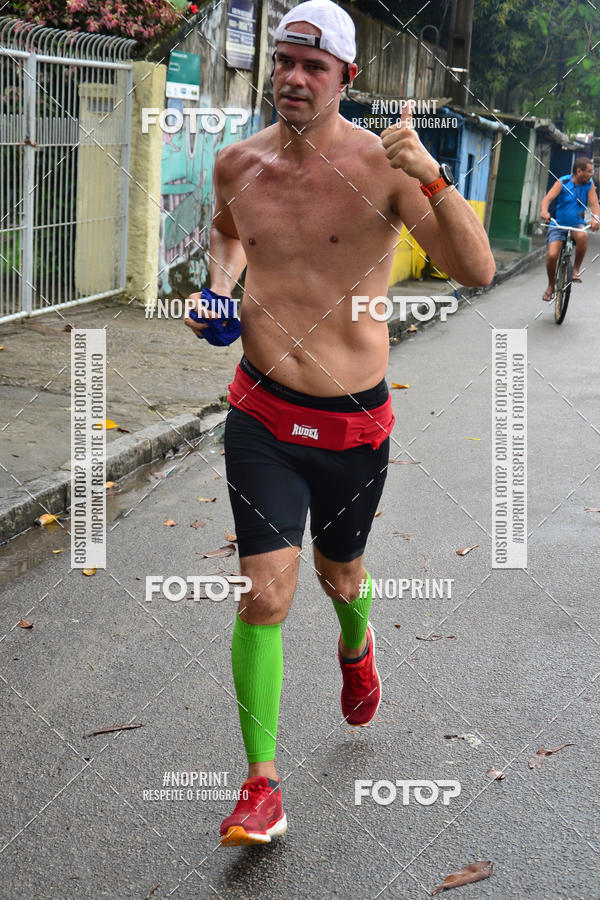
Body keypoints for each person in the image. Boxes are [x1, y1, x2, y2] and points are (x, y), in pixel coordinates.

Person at [183, 0, 495, 846]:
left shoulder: (386, 167)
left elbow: (476, 268)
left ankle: (356, 647)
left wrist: (432, 177)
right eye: (283, 60)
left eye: (313, 66)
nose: (291, 76)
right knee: (266, 591)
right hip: (261, 414)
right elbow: (227, 237)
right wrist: (217, 289)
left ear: (346, 79)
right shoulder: (235, 163)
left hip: (354, 425)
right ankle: (260, 786)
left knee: (339, 579)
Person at [540, 156, 600, 301]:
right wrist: (544, 211)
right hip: (558, 225)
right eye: (590, 171)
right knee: (552, 256)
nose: (592, 174)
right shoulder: (563, 182)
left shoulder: (589, 184)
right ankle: (550, 285)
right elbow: (547, 199)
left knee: (583, 236)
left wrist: (595, 217)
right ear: (579, 171)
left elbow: (594, 204)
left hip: (576, 225)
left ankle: (575, 270)